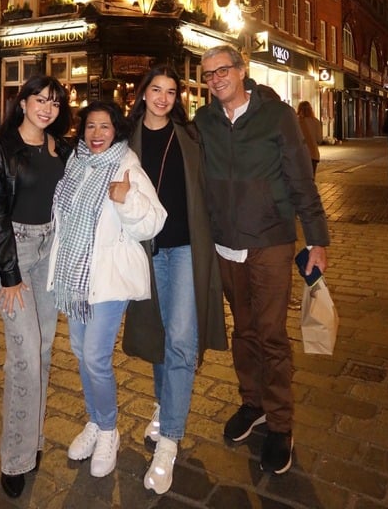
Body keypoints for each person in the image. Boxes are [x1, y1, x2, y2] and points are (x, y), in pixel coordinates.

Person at [194, 44, 330, 475]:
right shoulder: (204, 121)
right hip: (226, 244)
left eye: (222, 70)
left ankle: (280, 424)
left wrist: (317, 239)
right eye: (208, 74)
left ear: (241, 70)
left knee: (271, 334)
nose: (216, 79)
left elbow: (301, 180)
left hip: (270, 241)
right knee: (244, 330)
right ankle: (252, 403)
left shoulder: (277, 116)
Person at [48, 100, 166, 479]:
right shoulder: (76, 162)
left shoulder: (126, 165)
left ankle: (108, 431)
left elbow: (154, 221)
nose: (96, 134)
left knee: (95, 357)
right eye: (90, 127)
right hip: (76, 277)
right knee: (81, 353)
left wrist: (126, 199)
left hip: (109, 279)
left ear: (116, 130)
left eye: (104, 127)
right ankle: (96, 422)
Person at [126, 65, 227, 494]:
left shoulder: (190, 136)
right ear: (143, 93)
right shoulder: (125, 138)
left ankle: (169, 440)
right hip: (145, 251)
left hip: (185, 247)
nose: (163, 98)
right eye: (156, 89)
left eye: (171, 91)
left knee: (182, 339)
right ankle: (165, 405)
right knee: (158, 333)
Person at [0, 75, 72, 499]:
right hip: (12, 252)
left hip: (49, 252)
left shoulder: (61, 148)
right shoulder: (1, 149)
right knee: (26, 357)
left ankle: (33, 440)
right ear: (24, 102)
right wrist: (9, 275)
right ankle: (14, 458)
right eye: (40, 99)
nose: (47, 108)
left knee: (42, 352)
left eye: (55, 102)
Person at [296, 100, 323, 175]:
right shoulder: (316, 122)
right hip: (313, 154)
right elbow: (319, 139)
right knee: (311, 177)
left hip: (299, 154)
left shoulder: (296, 121)